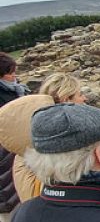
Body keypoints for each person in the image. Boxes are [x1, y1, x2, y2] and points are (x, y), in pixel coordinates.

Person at [0, 73, 89, 202]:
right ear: (66, 99)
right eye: (80, 94)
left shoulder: (31, 139)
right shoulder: (53, 147)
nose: (85, 98)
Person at [0, 52, 29, 222]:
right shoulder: (8, 99)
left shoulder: (14, 92)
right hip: (6, 175)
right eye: (11, 73)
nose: (15, 77)